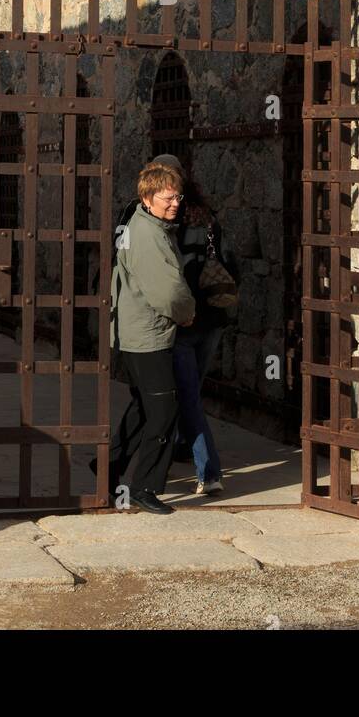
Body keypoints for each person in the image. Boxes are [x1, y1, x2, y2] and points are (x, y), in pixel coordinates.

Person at [103, 161, 195, 514]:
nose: (175, 203)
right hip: (148, 335)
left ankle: (107, 468)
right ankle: (144, 486)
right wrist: (188, 313)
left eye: (178, 197)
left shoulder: (142, 224)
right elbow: (168, 291)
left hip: (137, 331)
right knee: (163, 411)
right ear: (148, 196)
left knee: (144, 407)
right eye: (168, 197)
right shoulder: (149, 235)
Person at [172, 176, 238, 495]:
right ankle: (181, 442)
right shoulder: (208, 216)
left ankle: (209, 470)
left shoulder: (166, 225)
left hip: (184, 321)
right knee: (190, 389)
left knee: (186, 395)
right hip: (213, 318)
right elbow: (232, 264)